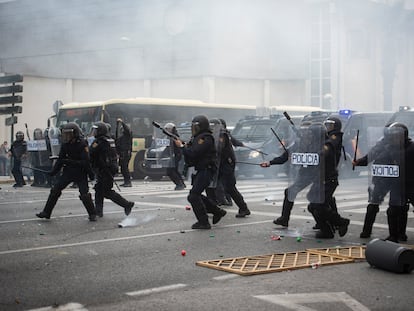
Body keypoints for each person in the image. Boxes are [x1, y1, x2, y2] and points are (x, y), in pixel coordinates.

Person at [261, 122, 349, 238]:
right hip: (309, 174)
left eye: (310, 133)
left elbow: (321, 155)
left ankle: (335, 223)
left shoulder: (326, 144)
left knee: (319, 203)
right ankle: (326, 226)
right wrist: (270, 162)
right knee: (301, 197)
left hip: (323, 177)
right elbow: (286, 156)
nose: (307, 134)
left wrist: (303, 157)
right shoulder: (302, 142)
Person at [354, 122, 413, 242]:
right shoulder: (383, 144)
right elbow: (371, 155)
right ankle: (367, 231)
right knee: (373, 205)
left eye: (398, 136)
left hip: (402, 182)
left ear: (404, 136)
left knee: (398, 208)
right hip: (383, 179)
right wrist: (359, 161)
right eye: (392, 135)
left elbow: (402, 158)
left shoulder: (410, 147)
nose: (395, 138)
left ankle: (399, 234)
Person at [36, 123, 97, 221]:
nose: (66, 136)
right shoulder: (65, 145)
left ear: (75, 133)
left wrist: (91, 174)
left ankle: (92, 214)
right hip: (68, 172)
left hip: (80, 173)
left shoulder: (82, 143)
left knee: (84, 194)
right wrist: (52, 172)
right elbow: (60, 160)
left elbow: (85, 162)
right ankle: (46, 212)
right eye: (64, 134)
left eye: (68, 134)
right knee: (55, 190)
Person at [175, 115, 227, 229]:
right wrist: (185, 146)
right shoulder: (198, 137)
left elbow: (194, 153)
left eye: (196, 126)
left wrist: (182, 147)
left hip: (206, 170)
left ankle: (204, 221)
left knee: (193, 196)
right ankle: (217, 211)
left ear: (201, 126)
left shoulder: (205, 137)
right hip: (201, 169)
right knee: (194, 195)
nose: (193, 129)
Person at [89, 122, 135, 218]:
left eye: (96, 130)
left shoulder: (100, 141)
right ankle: (98, 211)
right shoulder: (109, 140)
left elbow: (92, 152)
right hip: (109, 168)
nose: (94, 132)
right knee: (99, 190)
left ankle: (126, 204)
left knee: (106, 191)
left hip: (105, 169)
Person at [215, 118, 250, 218]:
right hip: (223, 165)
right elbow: (234, 141)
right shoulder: (224, 134)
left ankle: (243, 208)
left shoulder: (222, 135)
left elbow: (219, 148)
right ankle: (216, 205)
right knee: (219, 186)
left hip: (226, 166)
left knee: (230, 188)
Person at [163, 123, 186, 190]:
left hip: (175, 155)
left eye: (167, 129)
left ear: (171, 129)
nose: (166, 130)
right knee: (174, 170)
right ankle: (181, 183)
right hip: (173, 155)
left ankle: (179, 184)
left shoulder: (174, 137)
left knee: (170, 171)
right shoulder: (171, 136)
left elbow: (177, 146)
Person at [115, 118, 132, 187]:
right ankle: (126, 181)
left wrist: (122, 122)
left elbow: (127, 129)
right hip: (121, 153)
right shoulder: (121, 137)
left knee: (125, 167)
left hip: (125, 153)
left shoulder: (128, 136)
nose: (122, 130)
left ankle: (128, 182)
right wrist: (117, 125)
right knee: (122, 168)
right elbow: (116, 138)